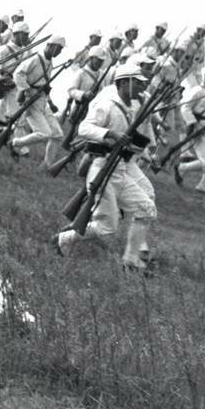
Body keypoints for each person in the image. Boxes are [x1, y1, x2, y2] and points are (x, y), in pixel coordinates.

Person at [55, 62, 156, 270]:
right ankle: (63, 239)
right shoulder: (108, 105)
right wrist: (110, 134)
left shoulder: (130, 108)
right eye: (136, 83)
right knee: (106, 229)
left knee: (147, 209)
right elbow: (84, 128)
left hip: (119, 168)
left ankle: (130, 259)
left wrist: (136, 147)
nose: (141, 87)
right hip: (103, 167)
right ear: (124, 82)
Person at [7, 35, 68, 166]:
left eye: (61, 49)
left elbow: (44, 84)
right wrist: (26, 90)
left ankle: (46, 165)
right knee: (44, 134)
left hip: (42, 100)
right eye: (58, 48)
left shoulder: (49, 63)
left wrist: (50, 102)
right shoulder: (35, 59)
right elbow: (18, 74)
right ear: (51, 46)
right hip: (31, 101)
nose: (59, 52)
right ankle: (14, 143)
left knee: (57, 135)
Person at [171, 66, 205, 193]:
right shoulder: (196, 91)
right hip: (199, 128)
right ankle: (200, 183)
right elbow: (186, 108)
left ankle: (183, 168)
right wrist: (193, 123)